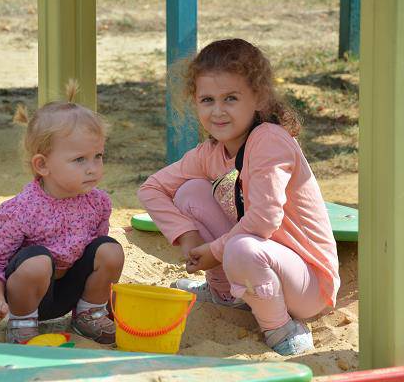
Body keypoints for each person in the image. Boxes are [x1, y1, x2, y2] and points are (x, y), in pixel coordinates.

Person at [137, 39, 339, 356]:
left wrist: (214, 251)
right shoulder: (211, 152)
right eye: (207, 100)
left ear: (259, 97)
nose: (218, 111)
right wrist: (188, 238)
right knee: (191, 192)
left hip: (308, 286)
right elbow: (151, 189)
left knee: (241, 247)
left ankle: (280, 328)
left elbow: (263, 221)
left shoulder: (270, 141)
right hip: (259, 264)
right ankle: (224, 292)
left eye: (230, 98)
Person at [0, 81, 124, 344]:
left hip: (69, 293)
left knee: (110, 250)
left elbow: (94, 256)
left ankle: (89, 314)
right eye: (79, 159)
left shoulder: (98, 202)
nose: (93, 168)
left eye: (98, 156)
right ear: (43, 165)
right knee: (37, 261)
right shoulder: (21, 210)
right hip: (29, 297)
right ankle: (22, 324)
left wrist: (106, 295)